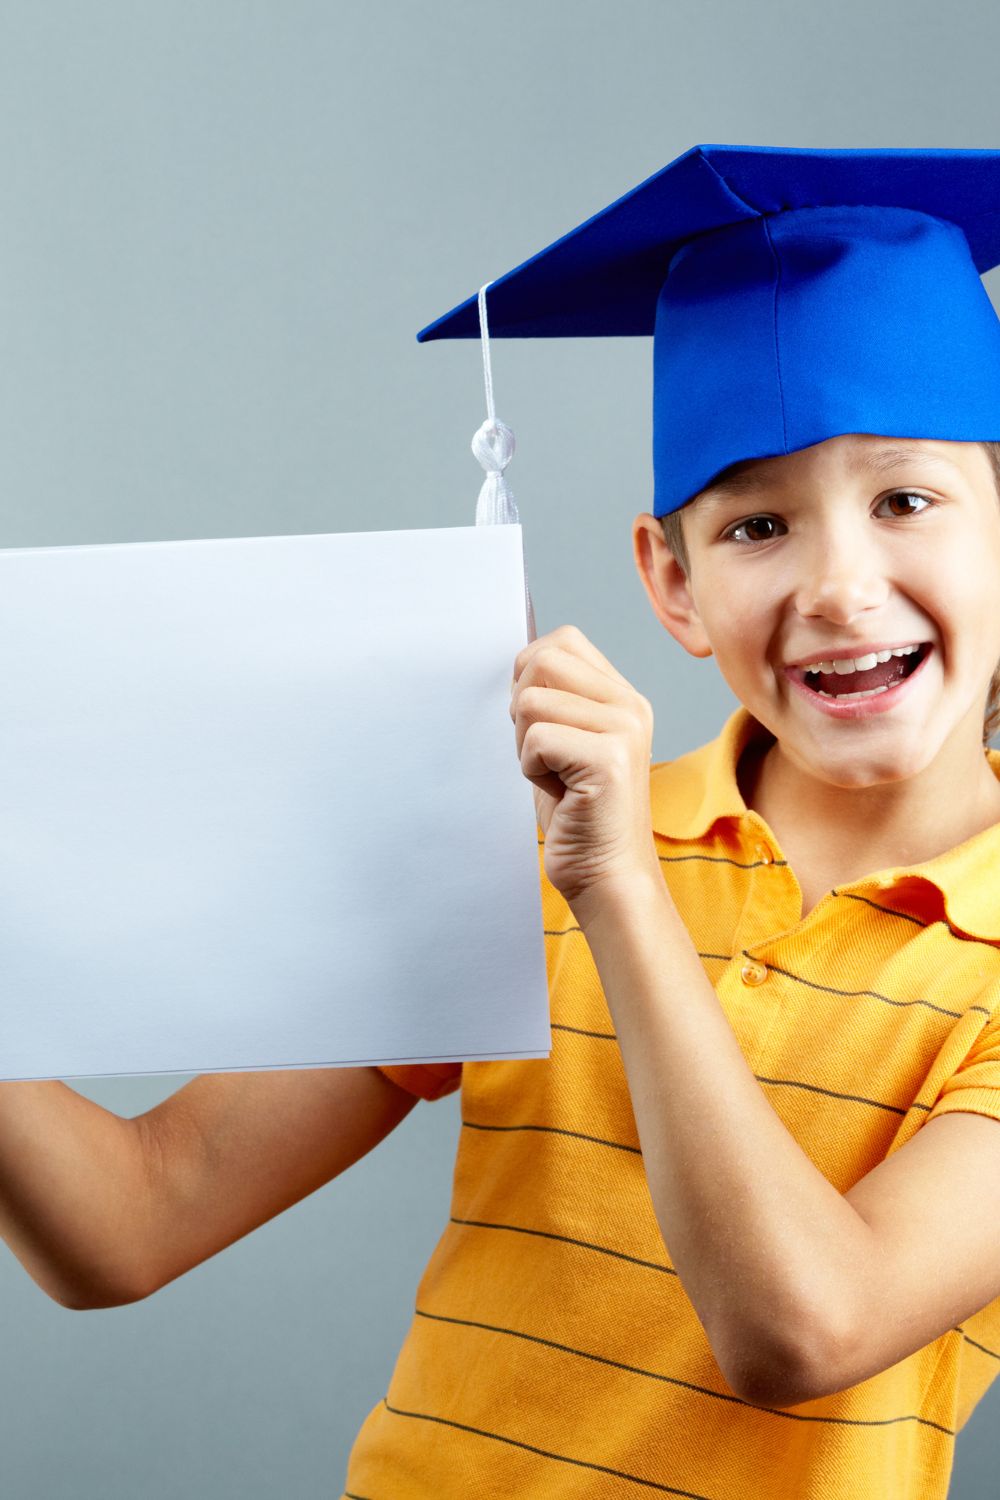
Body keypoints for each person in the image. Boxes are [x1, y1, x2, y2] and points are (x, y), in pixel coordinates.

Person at [5, 144, 1000, 1498]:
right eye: (758, 527)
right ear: (672, 583)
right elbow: (128, 1222)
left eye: (905, 499)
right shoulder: (520, 867)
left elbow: (801, 1328)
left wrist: (620, 895)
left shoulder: (595, 877)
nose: (838, 585)